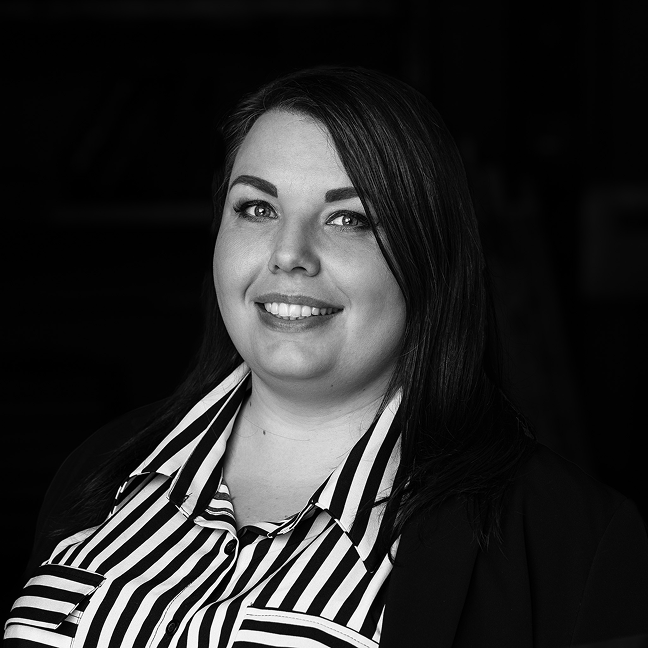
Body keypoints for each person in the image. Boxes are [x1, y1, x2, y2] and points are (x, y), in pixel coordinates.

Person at [5, 67, 648, 648]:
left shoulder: (574, 542)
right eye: (257, 208)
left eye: (348, 219)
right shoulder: (101, 468)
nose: (289, 253)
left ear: (430, 257)